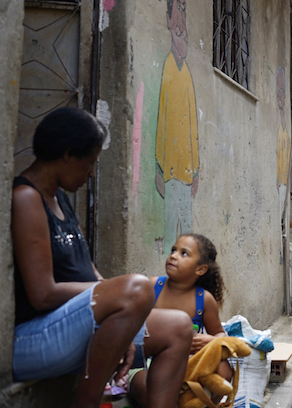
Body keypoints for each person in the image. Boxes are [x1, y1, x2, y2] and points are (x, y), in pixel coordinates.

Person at [11, 107, 193, 407]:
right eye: (90, 162)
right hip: (34, 339)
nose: (92, 173)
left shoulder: (59, 198)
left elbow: (89, 272)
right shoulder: (26, 198)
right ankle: (87, 402)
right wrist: (117, 295)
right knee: (137, 287)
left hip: (75, 327)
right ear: (67, 154)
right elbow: (43, 294)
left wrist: (127, 324)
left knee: (179, 326)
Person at [128, 233, 232, 405]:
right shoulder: (152, 286)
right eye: (173, 250)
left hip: (188, 364)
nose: (173, 256)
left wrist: (211, 340)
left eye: (184, 253)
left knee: (225, 369)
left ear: (200, 269)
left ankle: (200, 404)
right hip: (147, 363)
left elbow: (220, 333)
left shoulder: (203, 299)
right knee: (146, 387)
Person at [156, 0, 200, 251]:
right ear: (168, 16)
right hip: (170, 174)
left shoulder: (187, 74)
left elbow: (193, 128)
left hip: (186, 174)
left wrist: (196, 171)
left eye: (184, 8)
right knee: (171, 236)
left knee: (189, 237)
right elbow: (162, 122)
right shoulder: (168, 69)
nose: (181, 18)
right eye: (177, 7)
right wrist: (159, 168)